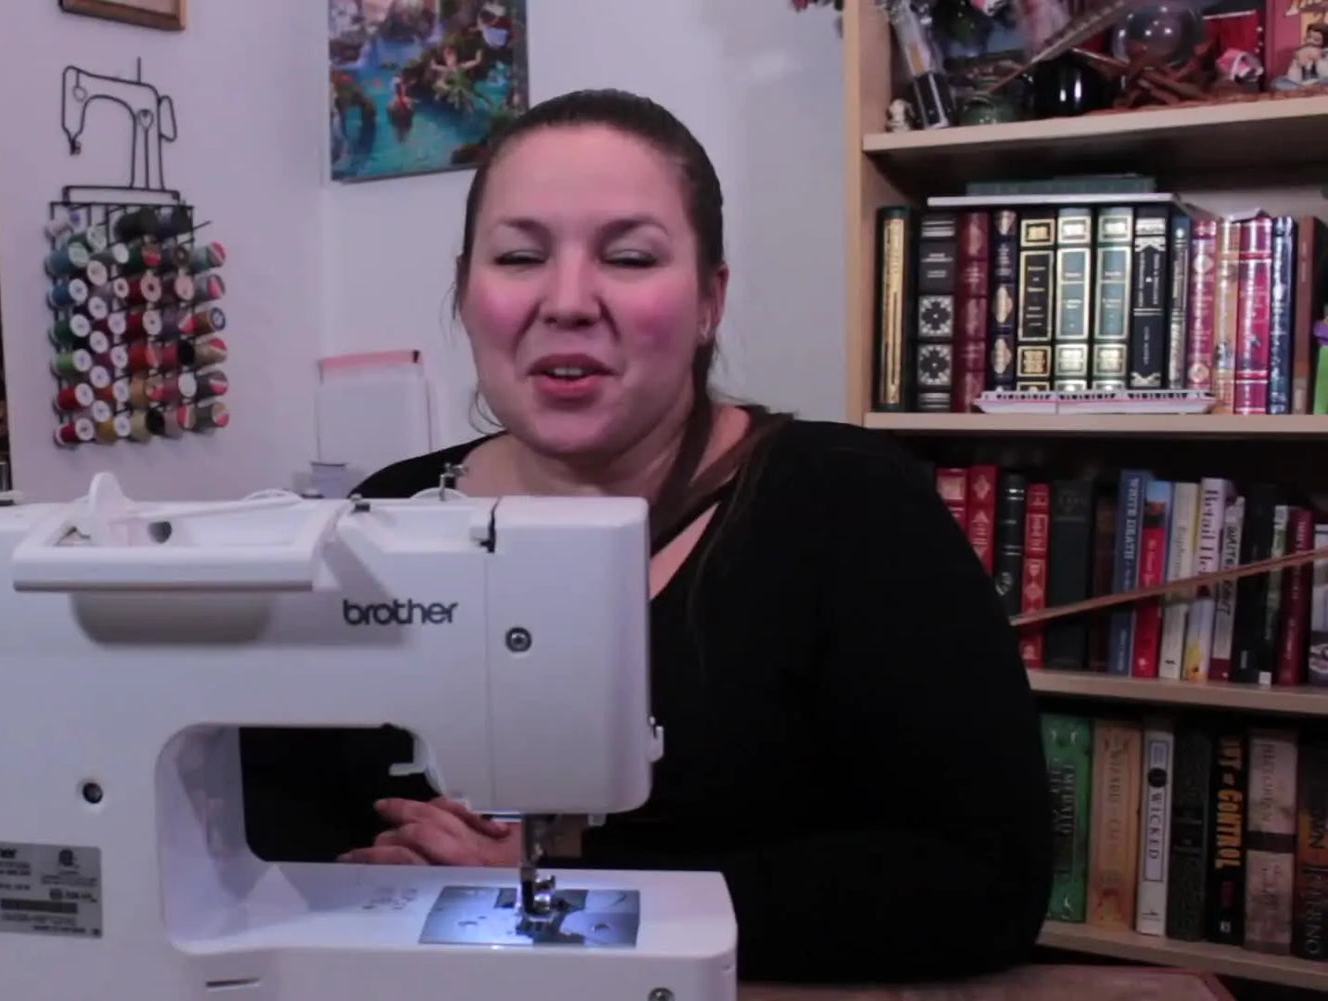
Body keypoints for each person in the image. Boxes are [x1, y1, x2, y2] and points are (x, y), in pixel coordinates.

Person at [239, 88, 1053, 984]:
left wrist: (577, 889)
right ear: (467, 293)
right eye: (518, 256)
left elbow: (984, 881)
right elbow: (273, 817)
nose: (569, 300)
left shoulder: (854, 507)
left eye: (628, 257)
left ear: (710, 299)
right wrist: (392, 886)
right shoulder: (378, 517)